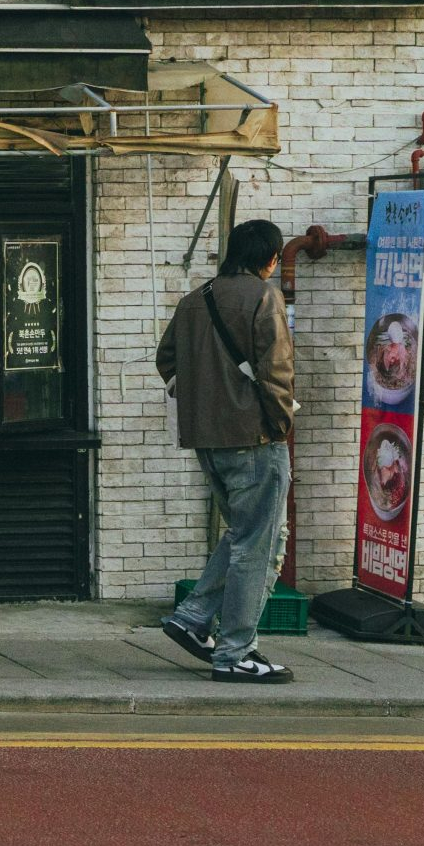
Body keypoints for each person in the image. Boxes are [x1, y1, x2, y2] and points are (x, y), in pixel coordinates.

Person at [156, 218, 299, 685]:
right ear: (271, 258)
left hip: (207, 438)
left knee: (243, 536)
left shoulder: (196, 299)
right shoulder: (264, 298)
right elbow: (276, 371)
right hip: (254, 438)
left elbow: (167, 360)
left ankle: (193, 616)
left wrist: (202, 400)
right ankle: (236, 651)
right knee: (261, 546)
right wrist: (281, 423)